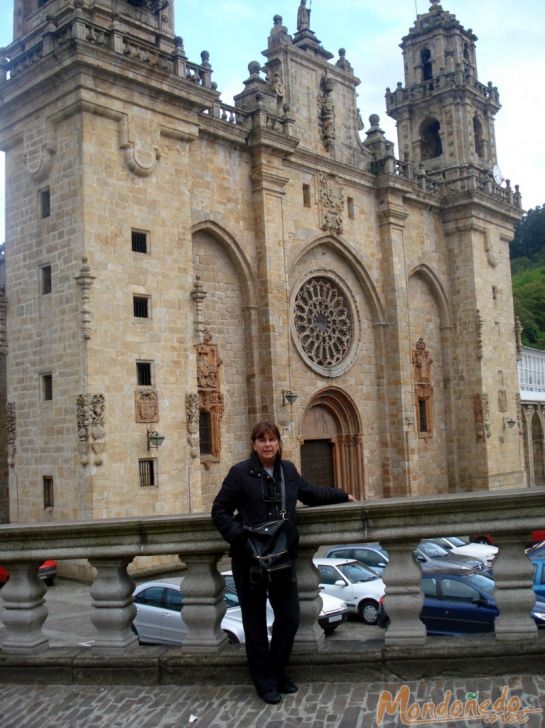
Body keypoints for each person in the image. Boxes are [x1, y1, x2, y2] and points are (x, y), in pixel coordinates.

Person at [211, 421, 354, 705]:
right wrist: (242, 539)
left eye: (272, 439)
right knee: (254, 623)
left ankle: (276, 671)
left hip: (281, 557)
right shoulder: (240, 473)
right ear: (254, 445)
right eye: (262, 440)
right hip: (250, 560)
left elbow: (310, 494)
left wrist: (342, 495)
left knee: (289, 617)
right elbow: (220, 510)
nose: (267, 445)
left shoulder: (287, 470)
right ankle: (264, 682)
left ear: (278, 443)